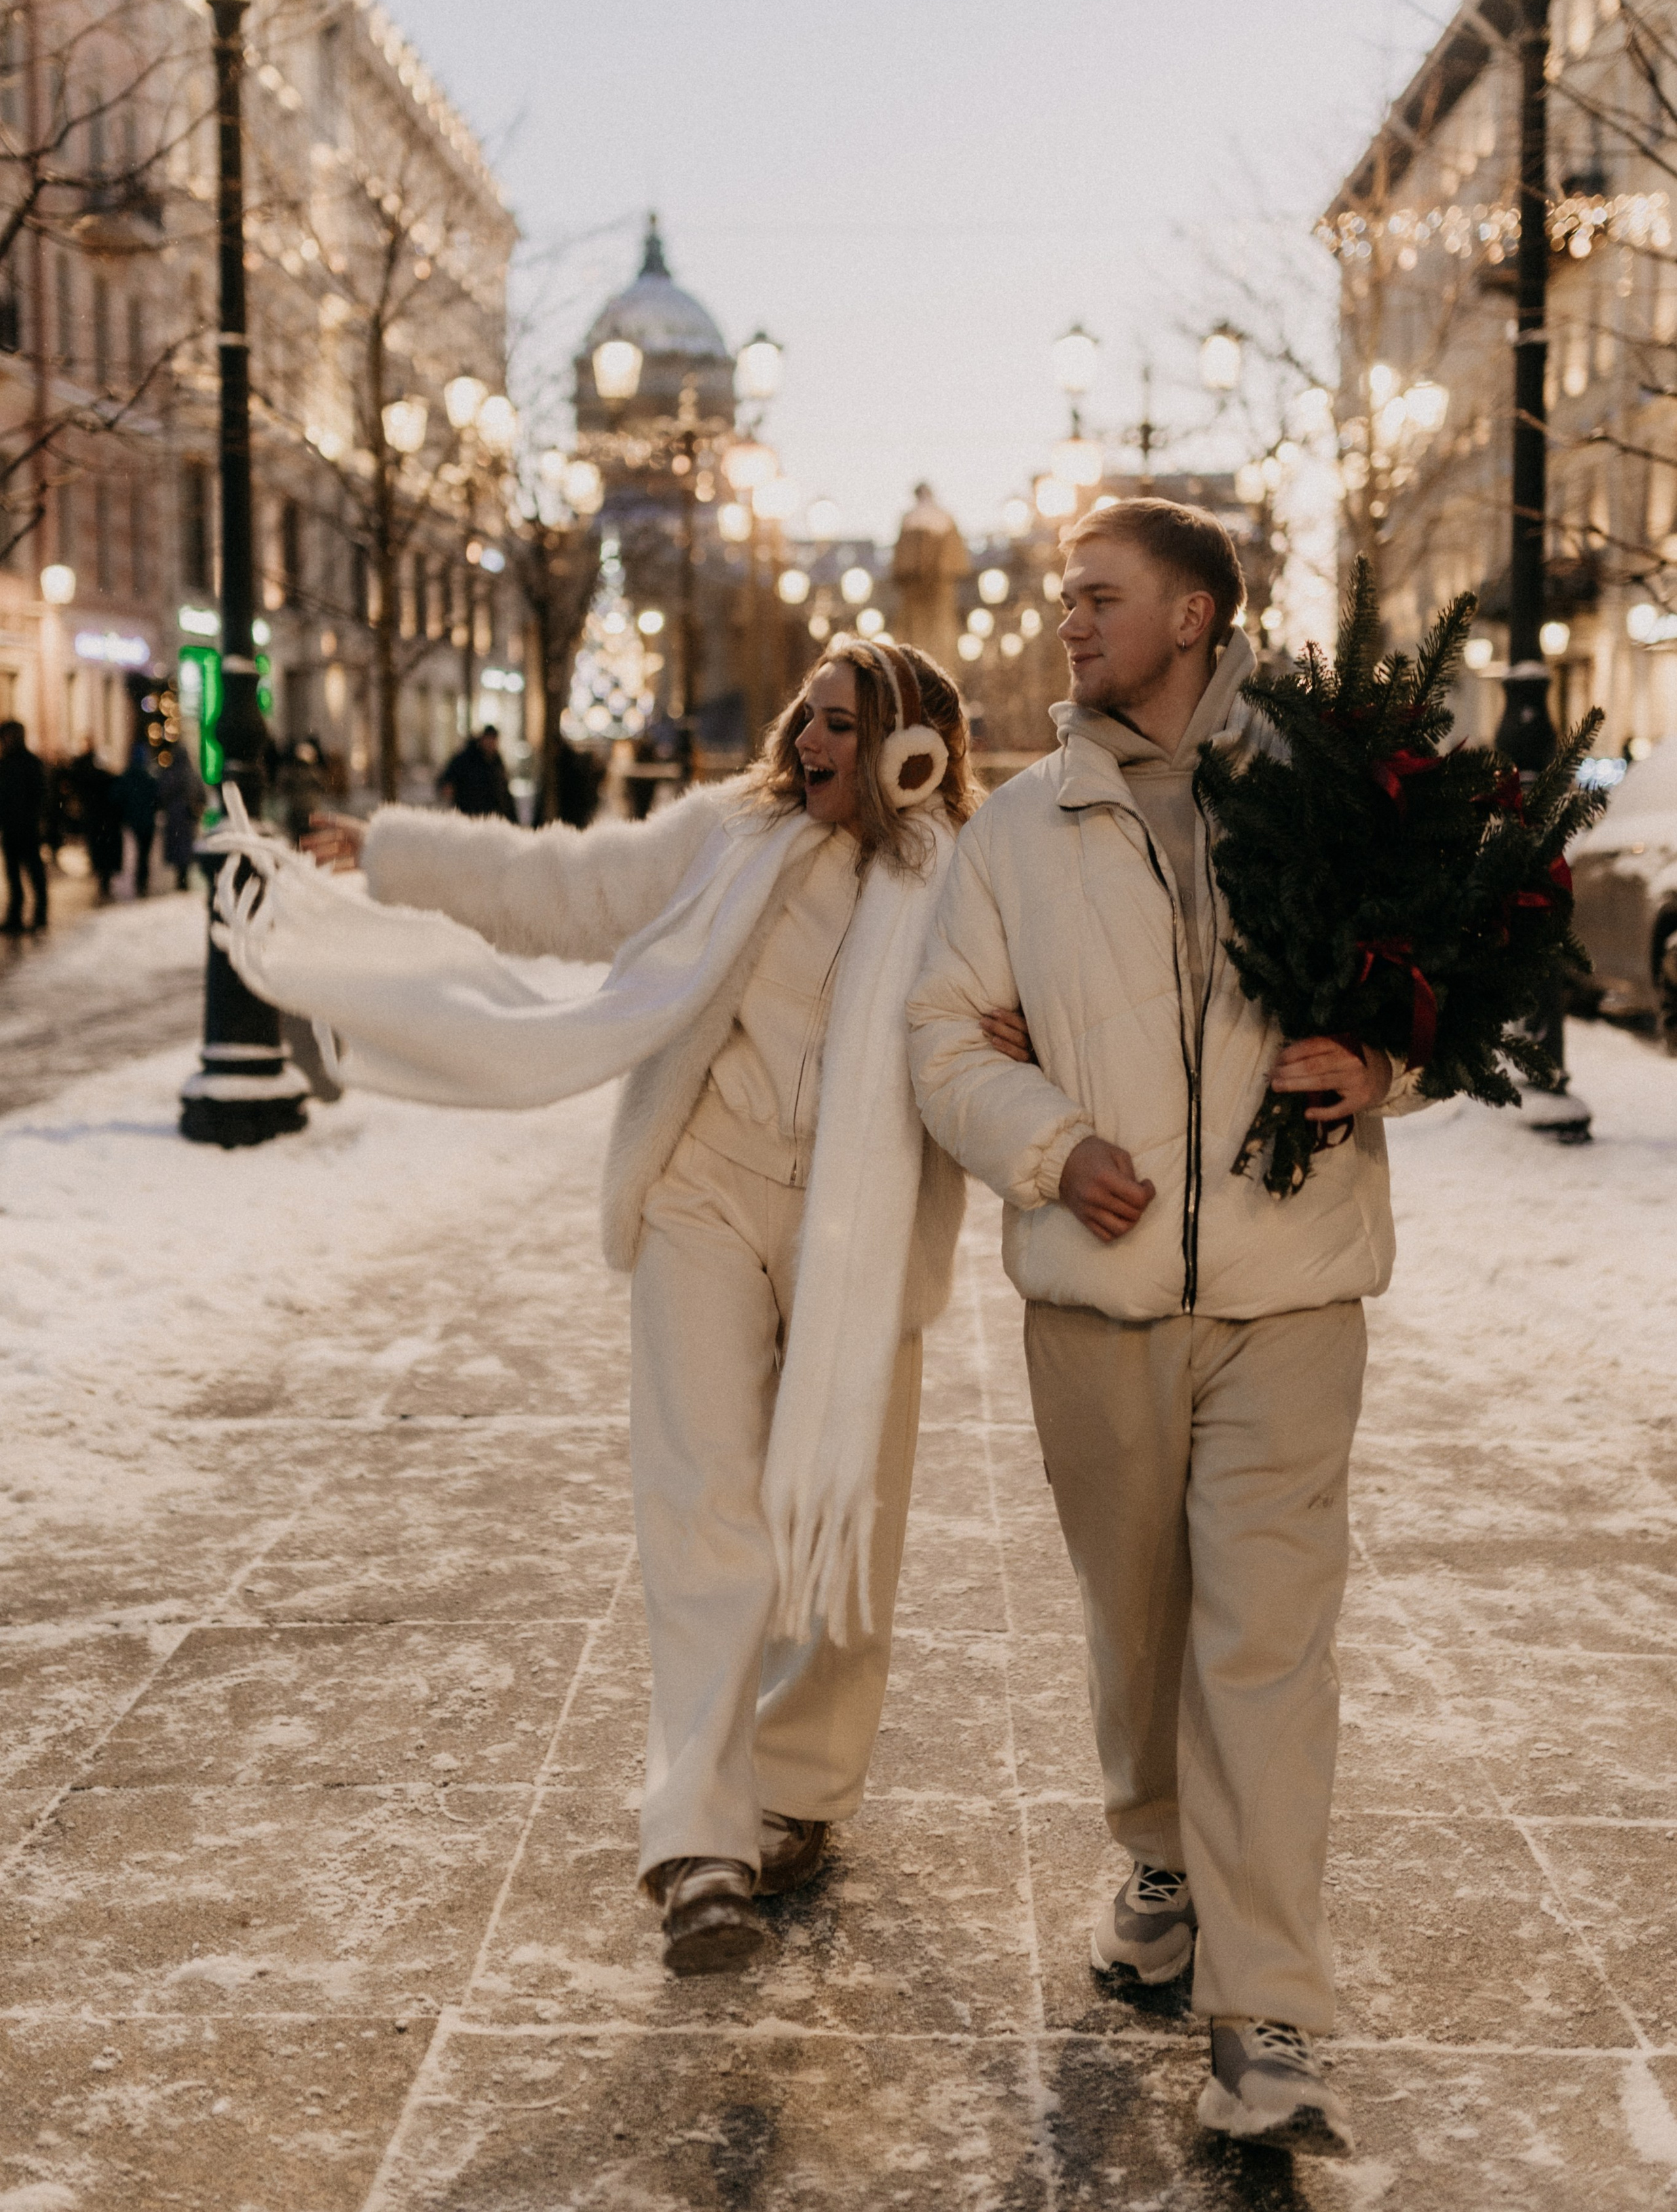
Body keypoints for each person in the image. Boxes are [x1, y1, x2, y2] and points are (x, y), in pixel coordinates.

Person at [217, 636, 977, 1976]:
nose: (809, 744)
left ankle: (795, 1785)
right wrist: (392, 853)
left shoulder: (964, 889)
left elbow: (1007, 1030)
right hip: (706, 1188)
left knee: (841, 1516)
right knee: (701, 1506)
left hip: (860, 1236)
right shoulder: (723, 837)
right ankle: (699, 1842)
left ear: (914, 752)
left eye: (845, 730)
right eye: (808, 716)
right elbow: (558, 885)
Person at [907, 498, 1426, 2160]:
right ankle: (1154, 1851)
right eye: (1063, 597)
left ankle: (1265, 2011)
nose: (1065, 622)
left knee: (1266, 1641)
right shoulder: (1015, 826)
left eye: (1097, 597)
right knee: (1135, 1616)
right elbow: (939, 1041)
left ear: (1194, 614)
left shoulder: (1323, 799)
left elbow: (1419, 978)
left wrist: (1380, 1062)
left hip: (1291, 1289)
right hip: (1101, 1298)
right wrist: (1052, 1145)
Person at [0, 719, 49, 935]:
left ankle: (39, 914)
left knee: (33, 871)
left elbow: (39, 795)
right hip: (12, 826)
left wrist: (36, 818)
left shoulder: (28, 763)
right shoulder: (7, 763)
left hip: (26, 827)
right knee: (14, 874)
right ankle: (16, 915)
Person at [67, 740, 121, 899]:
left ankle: (103, 879)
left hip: (98, 822)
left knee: (100, 851)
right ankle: (105, 879)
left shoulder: (89, 781)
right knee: (105, 852)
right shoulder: (108, 780)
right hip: (106, 823)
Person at [438, 723, 517, 819]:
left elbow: (503, 794)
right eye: (488, 739)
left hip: (490, 817)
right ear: (482, 739)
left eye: (493, 740)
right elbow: (446, 781)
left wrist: (512, 819)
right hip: (468, 816)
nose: (491, 744)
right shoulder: (466, 758)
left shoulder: (497, 762)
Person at [112, 745, 160, 897]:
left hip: (134, 820)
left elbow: (117, 796)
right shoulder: (149, 777)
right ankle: (142, 880)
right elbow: (158, 797)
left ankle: (140, 880)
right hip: (147, 820)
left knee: (140, 851)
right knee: (144, 853)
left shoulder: (128, 777)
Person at [157, 747, 208, 890]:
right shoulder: (192, 775)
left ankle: (181, 878)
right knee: (186, 848)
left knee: (177, 847)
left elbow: (161, 795)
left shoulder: (169, 774)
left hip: (174, 818)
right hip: (188, 818)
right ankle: (183, 877)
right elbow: (202, 796)